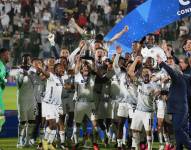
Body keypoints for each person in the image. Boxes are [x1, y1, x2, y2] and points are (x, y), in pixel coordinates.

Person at [157, 55, 191, 150]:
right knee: (178, 131)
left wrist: (162, 63)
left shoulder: (178, 77)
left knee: (178, 129)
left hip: (179, 109)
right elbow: (174, 92)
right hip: (178, 109)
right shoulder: (179, 80)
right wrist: (162, 92)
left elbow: (171, 72)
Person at [0, 48, 10, 132]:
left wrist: (6, 75)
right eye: (7, 54)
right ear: (2, 55)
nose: (9, 56)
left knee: (2, 118)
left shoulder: (4, 66)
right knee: (1, 118)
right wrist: (5, 79)